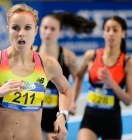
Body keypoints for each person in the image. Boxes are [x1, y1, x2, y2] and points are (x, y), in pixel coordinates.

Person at [0, 4, 72, 140]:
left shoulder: (48, 64)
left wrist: (62, 116)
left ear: (35, 30)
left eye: (27, 28)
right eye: (15, 28)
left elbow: (65, 89)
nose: (21, 33)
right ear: (8, 30)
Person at [70, 16, 132, 140]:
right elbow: (78, 77)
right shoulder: (91, 55)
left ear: (123, 33)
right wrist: (72, 101)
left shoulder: (128, 62)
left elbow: (128, 100)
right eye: (107, 29)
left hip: (112, 121)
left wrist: (111, 82)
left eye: (115, 30)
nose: (111, 33)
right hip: (90, 118)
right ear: (103, 33)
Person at [33, 12, 96, 140]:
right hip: (34, 111)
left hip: (57, 114)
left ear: (60, 32)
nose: (48, 32)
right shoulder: (31, 53)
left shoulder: (67, 56)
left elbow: (78, 78)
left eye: (52, 29)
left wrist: (72, 102)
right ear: (39, 29)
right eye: (45, 28)